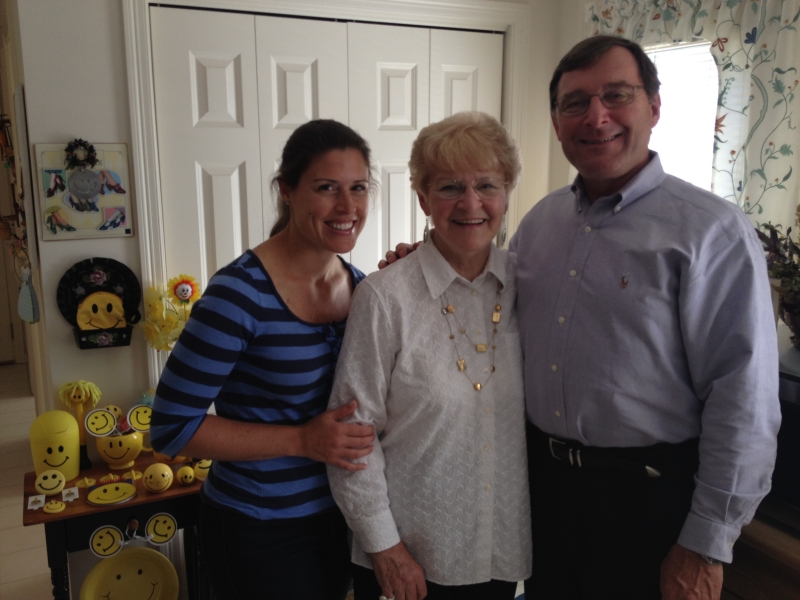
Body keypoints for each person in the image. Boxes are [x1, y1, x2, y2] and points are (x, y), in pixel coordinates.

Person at [382, 36, 781, 600]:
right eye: (576, 103)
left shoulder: (710, 232)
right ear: (556, 122)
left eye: (617, 95)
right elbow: (481, 299)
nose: (596, 117)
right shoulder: (539, 224)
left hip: (650, 504)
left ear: (654, 107)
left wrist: (706, 543)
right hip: (543, 494)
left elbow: (745, 399)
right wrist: (416, 267)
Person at [150, 119, 377, 600]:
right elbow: (171, 427)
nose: (347, 206)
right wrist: (302, 440)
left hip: (343, 517)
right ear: (287, 191)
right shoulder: (240, 294)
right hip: (258, 529)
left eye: (358, 188)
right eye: (326, 188)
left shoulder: (364, 288)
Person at [327, 112, 532, 600]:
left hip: (500, 550)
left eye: (487, 185)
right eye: (449, 187)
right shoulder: (385, 297)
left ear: (506, 193)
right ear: (423, 197)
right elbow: (353, 439)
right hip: (410, 559)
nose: (471, 203)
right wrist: (385, 548)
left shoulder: (529, 286)